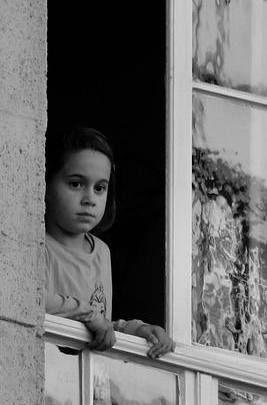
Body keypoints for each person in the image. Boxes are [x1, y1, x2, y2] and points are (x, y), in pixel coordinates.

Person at [44, 127, 173, 357]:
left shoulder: (101, 252)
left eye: (100, 188)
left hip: (86, 380)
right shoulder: (38, 244)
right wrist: (88, 315)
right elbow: (30, 299)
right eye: (75, 184)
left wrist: (138, 330)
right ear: (44, 183)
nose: (89, 199)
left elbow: (102, 328)